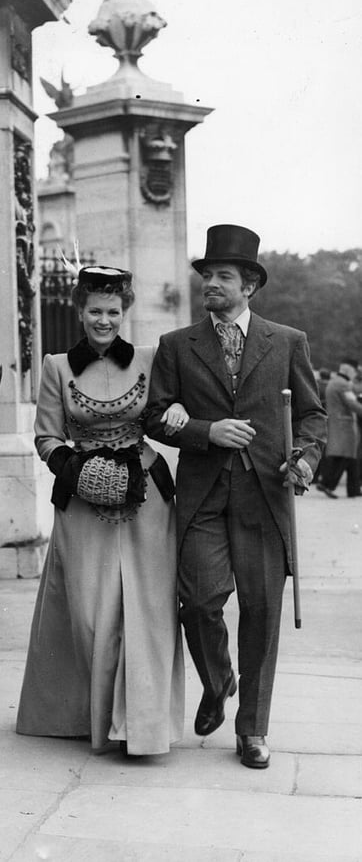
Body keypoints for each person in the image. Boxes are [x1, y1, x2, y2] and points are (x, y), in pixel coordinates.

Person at [143, 224, 326, 770]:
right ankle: (218, 680)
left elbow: (313, 415)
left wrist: (307, 460)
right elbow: (156, 416)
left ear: (250, 285)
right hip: (202, 496)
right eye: (207, 276)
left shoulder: (287, 341)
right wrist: (204, 431)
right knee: (198, 601)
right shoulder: (176, 345)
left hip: (268, 495)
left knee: (262, 611)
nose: (211, 285)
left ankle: (252, 731)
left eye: (223, 276)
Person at [16, 265, 186, 757]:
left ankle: (144, 726)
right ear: (79, 310)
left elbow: (166, 412)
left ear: (125, 311)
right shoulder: (56, 366)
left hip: (147, 495)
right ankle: (88, 718)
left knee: (150, 608)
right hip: (83, 495)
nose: (104, 320)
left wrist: (176, 414)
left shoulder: (153, 359)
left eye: (113, 311)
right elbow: (46, 435)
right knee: (89, 613)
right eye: (95, 310)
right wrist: (75, 468)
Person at [317, 358, 362, 498]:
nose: (355, 374)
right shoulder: (343, 385)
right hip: (345, 426)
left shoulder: (334, 382)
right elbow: (352, 404)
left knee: (351, 459)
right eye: (355, 371)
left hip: (338, 423)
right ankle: (327, 484)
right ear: (349, 369)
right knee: (345, 456)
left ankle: (354, 489)